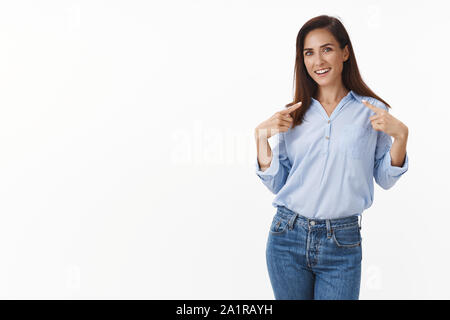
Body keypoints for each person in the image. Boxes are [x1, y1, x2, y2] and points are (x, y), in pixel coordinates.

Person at [254, 15, 409, 300]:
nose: (318, 61)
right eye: (309, 53)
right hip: (286, 236)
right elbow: (279, 183)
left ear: (344, 52)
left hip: (342, 242)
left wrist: (401, 136)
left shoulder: (372, 111)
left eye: (327, 49)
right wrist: (261, 137)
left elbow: (385, 178)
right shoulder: (294, 114)